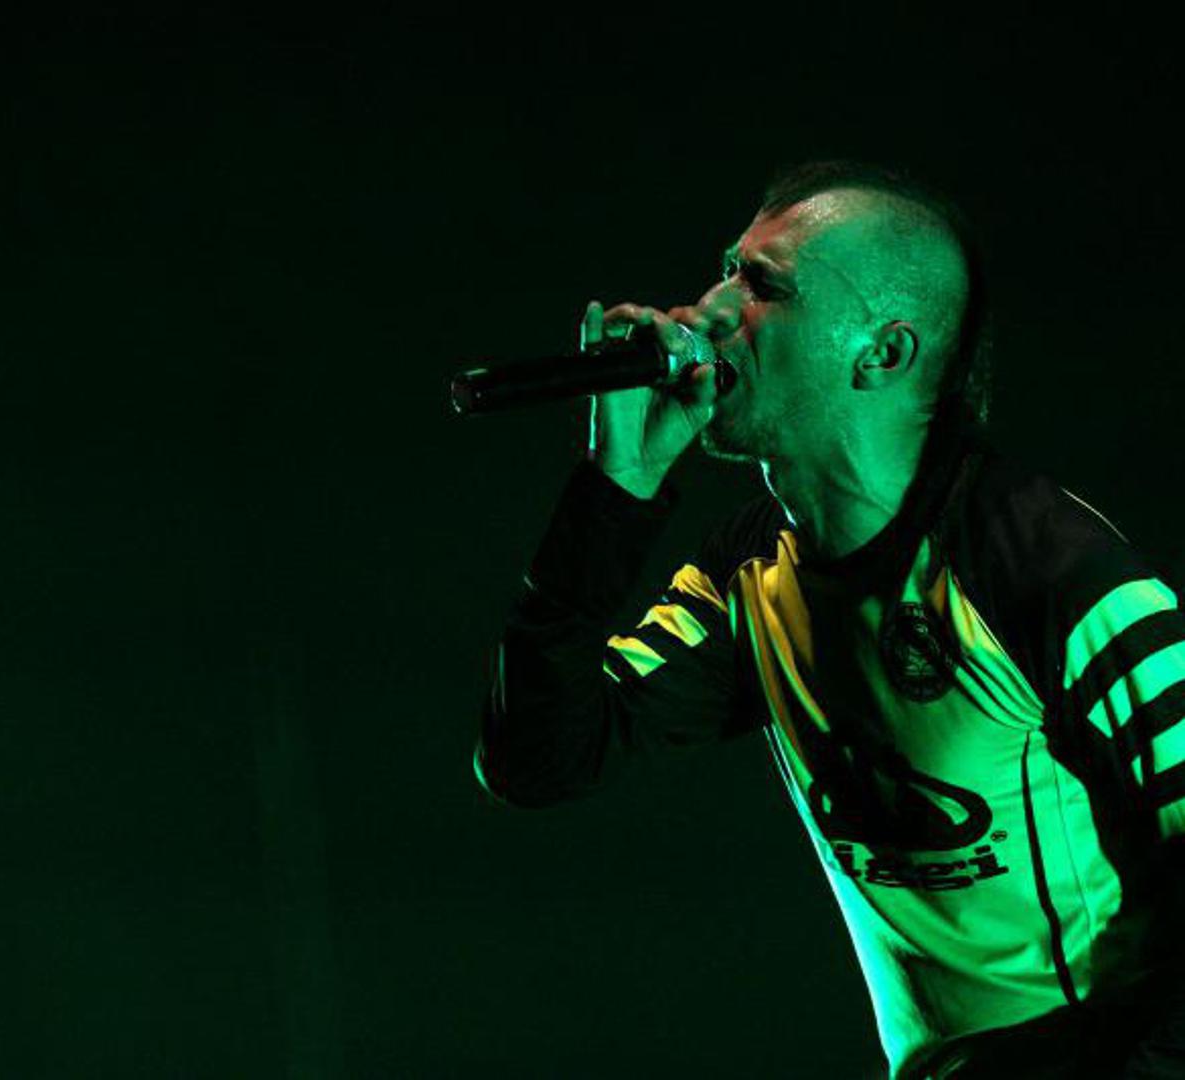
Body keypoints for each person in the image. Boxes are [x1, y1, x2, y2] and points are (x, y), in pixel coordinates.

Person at [471, 159, 1185, 1079]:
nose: (707, 310)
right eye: (724, 270)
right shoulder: (746, 577)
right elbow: (535, 759)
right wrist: (616, 491)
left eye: (762, 286)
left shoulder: (1052, 571)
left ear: (880, 352)